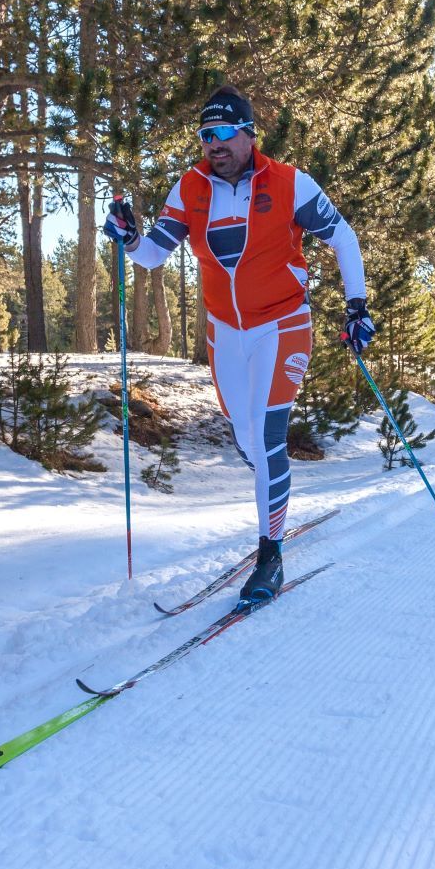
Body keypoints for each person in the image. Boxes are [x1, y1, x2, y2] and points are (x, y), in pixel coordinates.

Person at [103, 86, 367, 602]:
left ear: (249, 135)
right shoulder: (191, 187)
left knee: (268, 438)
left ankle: (270, 557)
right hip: (225, 334)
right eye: (206, 135)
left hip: (282, 323)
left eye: (224, 132)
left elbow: (344, 238)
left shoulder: (290, 183)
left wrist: (357, 306)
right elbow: (154, 254)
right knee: (246, 438)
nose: (213, 144)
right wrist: (129, 237)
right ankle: (274, 491)